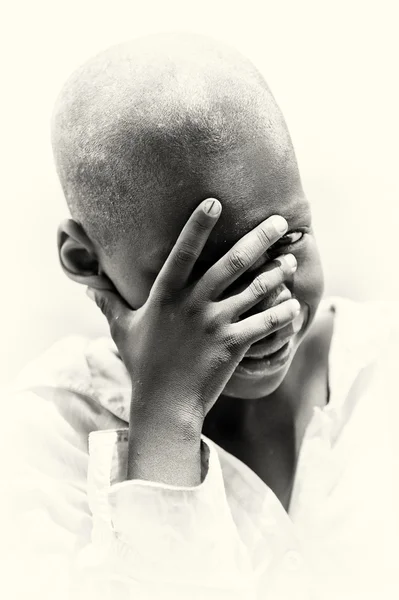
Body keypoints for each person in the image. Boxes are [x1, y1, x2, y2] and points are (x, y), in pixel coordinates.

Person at [2, 32, 399, 600]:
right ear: (86, 261)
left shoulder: (383, 371)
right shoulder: (41, 445)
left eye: (290, 237)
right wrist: (166, 420)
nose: (267, 302)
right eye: (205, 274)